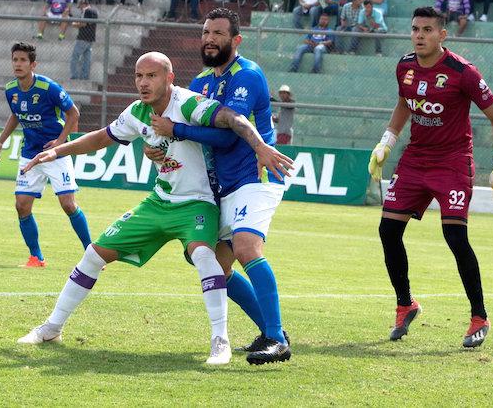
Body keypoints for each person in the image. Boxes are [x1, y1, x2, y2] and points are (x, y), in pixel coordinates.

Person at [18, 51, 291, 366]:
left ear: (169, 78)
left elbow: (228, 121)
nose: (143, 83)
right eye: (139, 76)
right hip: (160, 201)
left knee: (205, 256)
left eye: (152, 76)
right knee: (94, 255)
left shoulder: (189, 104)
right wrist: (57, 152)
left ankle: (221, 342)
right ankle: (52, 327)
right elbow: (101, 137)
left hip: (198, 203)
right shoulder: (137, 112)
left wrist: (260, 145)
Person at [149, 8, 294, 364]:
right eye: (206, 33)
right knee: (215, 264)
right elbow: (186, 134)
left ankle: (276, 340)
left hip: (255, 175)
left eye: (218, 33)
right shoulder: (199, 83)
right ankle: (271, 330)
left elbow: (229, 136)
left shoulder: (248, 75)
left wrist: (176, 130)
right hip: (221, 185)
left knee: (246, 246)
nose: (210, 39)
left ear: (236, 40)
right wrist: (159, 147)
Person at [367, 6, 493, 348]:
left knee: (455, 237)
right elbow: (405, 103)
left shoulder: (463, 72)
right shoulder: (404, 66)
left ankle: (479, 316)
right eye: (415, 28)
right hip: (416, 159)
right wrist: (386, 142)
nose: (419, 35)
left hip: (452, 162)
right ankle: (406, 304)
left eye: (427, 30)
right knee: (388, 230)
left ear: (442, 35)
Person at [0, 42, 90, 267]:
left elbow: (73, 114)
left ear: (33, 64)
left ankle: (92, 254)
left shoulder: (48, 88)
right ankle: (36, 257)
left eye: (23, 60)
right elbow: (16, 115)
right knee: (21, 205)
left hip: (55, 154)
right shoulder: (10, 90)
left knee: (68, 204)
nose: (18, 64)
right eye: (15, 59)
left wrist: (60, 143)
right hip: (29, 153)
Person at [70, 0, 97, 80]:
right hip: (90, 38)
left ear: (83, 4)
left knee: (75, 57)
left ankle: (74, 76)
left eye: (80, 6)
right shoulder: (94, 11)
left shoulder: (86, 10)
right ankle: (85, 77)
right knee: (86, 60)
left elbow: (83, 23)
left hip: (82, 38)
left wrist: (74, 24)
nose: (80, 9)